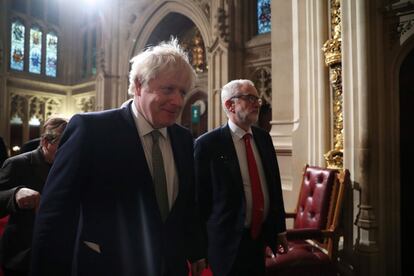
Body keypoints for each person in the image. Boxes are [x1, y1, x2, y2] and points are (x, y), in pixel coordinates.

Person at [30, 39, 206, 276]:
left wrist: (195, 250)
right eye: (168, 89)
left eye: (182, 92)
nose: (178, 101)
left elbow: (186, 206)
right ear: (138, 85)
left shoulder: (184, 139)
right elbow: (54, 216)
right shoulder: (91, 130)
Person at [194, 79, 289, 276]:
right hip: (226, 242)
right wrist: (197, 251)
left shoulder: (264, 138)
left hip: (259, 238)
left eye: (258, 99)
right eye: (250, 98)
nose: (257, 103)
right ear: (230, 105)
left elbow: (274, 185)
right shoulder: (208, 144)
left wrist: (279, 229)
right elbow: (198, 202)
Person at [0, 117, 68, 276]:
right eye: (63, 146)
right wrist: (15, 194)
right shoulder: (17, 164)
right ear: (45, 142)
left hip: (59, 254)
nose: (68, 151)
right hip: (23, 255)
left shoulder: (69, 164)